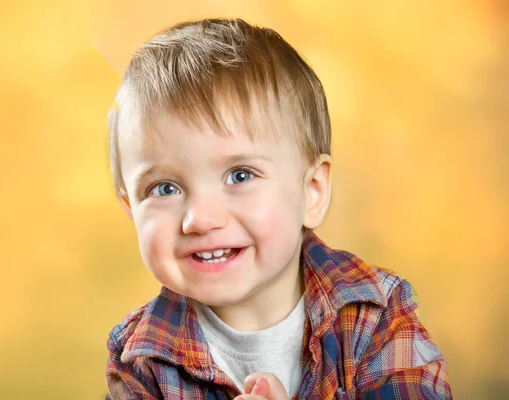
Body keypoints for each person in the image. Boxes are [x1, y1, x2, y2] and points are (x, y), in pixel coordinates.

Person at [105, 18, 452, 400]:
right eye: (164, 188)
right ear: (131, 207)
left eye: (240, 175)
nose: (200, 219)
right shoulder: (139, 357)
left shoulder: (374, 315)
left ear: (312, 193)